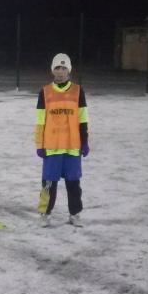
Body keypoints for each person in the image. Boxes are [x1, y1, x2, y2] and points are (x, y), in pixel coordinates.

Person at [35, 53, 90, 227]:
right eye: (57, 68)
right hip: (51, 148)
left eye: (64, 68)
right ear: (53, 70)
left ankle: (74, 214)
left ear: (69, 71)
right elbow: (40, 122)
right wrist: (39, 144)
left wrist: (85, 141)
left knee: (73, 184)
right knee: (48, 184)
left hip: (72, 148)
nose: (60, 72)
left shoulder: (78, 91)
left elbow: (83, 119)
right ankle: (44, 214)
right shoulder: (45, 92)